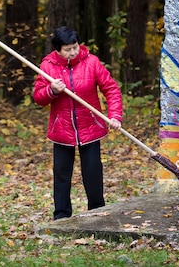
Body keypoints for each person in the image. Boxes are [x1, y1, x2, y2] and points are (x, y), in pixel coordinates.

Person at [32, 26, 123, 220]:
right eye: (68, 49)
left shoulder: (91, 62)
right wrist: (52, 90)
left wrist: (115, 115)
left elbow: (111, 88)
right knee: (62, 174)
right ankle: (61, 216)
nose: (73, 52)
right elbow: (39, 98)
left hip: (90, 127)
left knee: (92, 172)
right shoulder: (48, 66)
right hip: (61, 130)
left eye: (75, 47)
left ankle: (97, 212)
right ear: (58, 49)